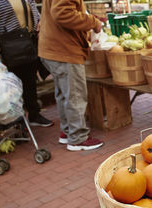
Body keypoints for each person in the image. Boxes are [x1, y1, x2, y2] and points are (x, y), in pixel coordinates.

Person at [38, 0, 104, 151]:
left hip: (53, 48)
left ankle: (67, 132)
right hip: (64, 50)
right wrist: (93, 22)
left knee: (64, 94)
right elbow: (62, 13)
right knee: (75, 95)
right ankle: (77, 138)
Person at [0, 0, 54, 127]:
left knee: (30, 81)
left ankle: (34, 115)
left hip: (28, 43)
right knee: (12, 85)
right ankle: (17, 120)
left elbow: (35, 14)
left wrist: (40, 22)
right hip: (8, 46)